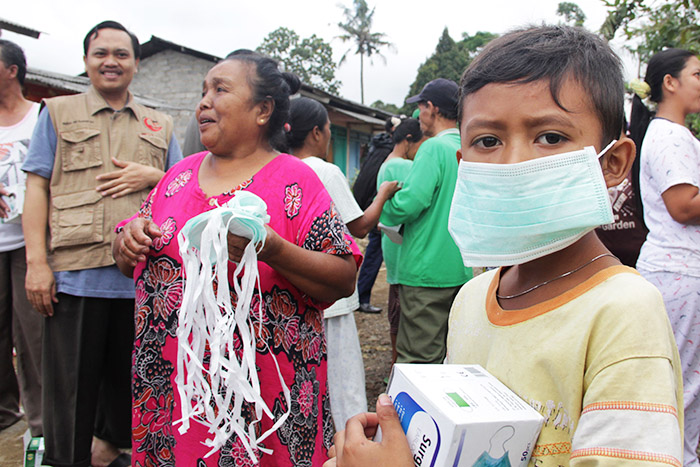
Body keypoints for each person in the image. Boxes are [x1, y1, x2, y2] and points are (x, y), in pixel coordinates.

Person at [326, 25, 683, 467]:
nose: (513, 163)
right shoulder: (474, 297)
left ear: (612, 164)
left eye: (550, 137)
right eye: (488, 141)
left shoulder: (625, 313)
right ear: (464, 165)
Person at [113, 52, 361, 466]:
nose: (203, 102)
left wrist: (271, 248)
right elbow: (132, 257)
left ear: (263, 110)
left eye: (220, 89)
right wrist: (126, 241)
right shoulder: (178, 176)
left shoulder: (294, 179)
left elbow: (342, 276)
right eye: (203, 91)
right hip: (173, 398)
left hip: (263, 406)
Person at [22, 21, 182, 467]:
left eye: (121, 54)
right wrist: (38, 263)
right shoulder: (56, 112)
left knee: (135, 396)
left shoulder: (160, 123)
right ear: (87, 61)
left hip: (143, 285)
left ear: (134, 63)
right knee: (69, 398)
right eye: (100, 53)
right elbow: (36, 187)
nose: (111, 61)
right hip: (75, 282)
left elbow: (182, 188)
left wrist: (153, 176)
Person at [284, 96, 398, 429]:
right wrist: (383, 195)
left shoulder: (276, 168)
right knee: (343, 381)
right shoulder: (323, 170)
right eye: (330, 129)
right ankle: (353, 445)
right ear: (317, 133)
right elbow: (359, 225)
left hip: (293, 293)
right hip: (330, 295)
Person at [630, 48, 700, 466]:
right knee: (684, 386)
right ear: (669, 83)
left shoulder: (671, 133)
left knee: (679, 381)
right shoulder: (671, 135)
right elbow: (684, 205)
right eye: (698, 74)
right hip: (680, 272)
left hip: (674, 271)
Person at [380, 78, 472, 364]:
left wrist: (384, 202)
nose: (418, 115)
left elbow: (412, 202)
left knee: (418, 360)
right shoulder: (471, 149)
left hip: (424, 271)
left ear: (431, 108)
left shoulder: (433, 148)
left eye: (420, 107)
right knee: (450, 355)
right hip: (461, 268)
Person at [0, 39, 42, 437]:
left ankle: (41, 421)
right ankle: (3, 412)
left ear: (12, 70)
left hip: (28, 241)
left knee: (32, 336)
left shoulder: (40, 117)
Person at [375, 117, 424, 364]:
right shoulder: (404, 167)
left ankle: (395, 366)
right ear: (408, 141)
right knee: (404, 319)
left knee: (396, 315)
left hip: (391, 246)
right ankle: (398, 368)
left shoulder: (386, 164)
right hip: (405, 249)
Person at [352, 118, 394, 313]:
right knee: (374, 254)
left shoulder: (375, 149)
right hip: (376, 209)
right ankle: (362, 298)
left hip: (366, 206)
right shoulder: (388, 154)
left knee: (373, 254)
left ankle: (360, 296)